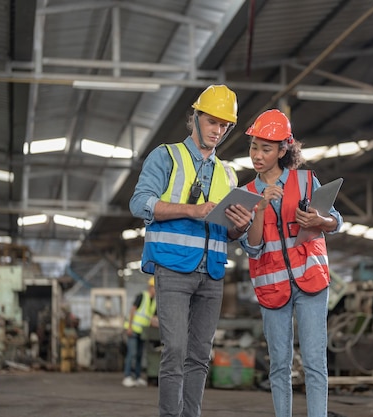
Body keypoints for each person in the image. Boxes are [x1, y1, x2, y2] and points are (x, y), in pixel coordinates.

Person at [129, 84, 252, 417]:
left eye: (225, 125)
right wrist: (191, 210)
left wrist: (240, 227)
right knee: (175, 350)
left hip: (212, 273)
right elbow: (140, 203)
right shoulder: (166, 156)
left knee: (200, 354)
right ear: (195, 118)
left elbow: (227, 233)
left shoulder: (228, 173)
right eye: (212, 122)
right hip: (172, 268)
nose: (218, 131)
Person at [229, 109, 342, 417]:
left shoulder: (306, 181)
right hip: (272, 286)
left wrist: (320, 219)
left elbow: (337, 222)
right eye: (254, 147)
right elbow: (252, 248)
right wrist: (261, 209)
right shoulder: (246, 193)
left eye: (266, 148)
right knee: (279, 364)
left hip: (311, 282)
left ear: (283, 150)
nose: (257, 154)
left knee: (314, 362)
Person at [122, 277, 158, 388]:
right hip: (133, 330)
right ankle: (127, 377)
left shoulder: (154, 301)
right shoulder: (142, 296)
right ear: (151, 287)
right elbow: (132, 310)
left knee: (139, 355)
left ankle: (137, 377)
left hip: (143, 332)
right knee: (131, 354)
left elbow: (151, 318)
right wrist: (130, 327)